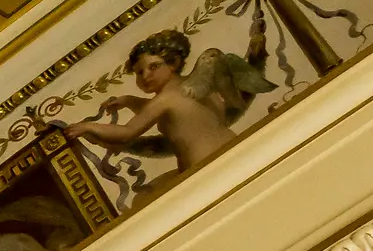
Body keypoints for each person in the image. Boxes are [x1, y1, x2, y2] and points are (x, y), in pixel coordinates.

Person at [62, 29, 265, 189]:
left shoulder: (165, 100)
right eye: (139, 72)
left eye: (153, 67)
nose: (145, 76)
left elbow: (126, 133)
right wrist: (129, 100)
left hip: (205, 169)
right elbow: (176, 115)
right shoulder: (197, 85)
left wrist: (87, 127)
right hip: (235, 150)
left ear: (174, 63)